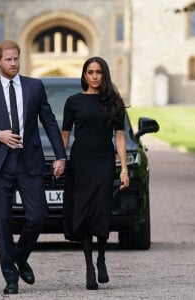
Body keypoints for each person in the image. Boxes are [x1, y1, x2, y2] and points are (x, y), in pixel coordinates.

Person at [0, 40, 66, 295]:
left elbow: (49, 121)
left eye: (16, 59)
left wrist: (60, 155)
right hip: (1, 163)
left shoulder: (34, 86)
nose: (13, 64)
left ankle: (20, 256)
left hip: (29, 161)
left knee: (38, 216)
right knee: (2, 223)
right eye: (8, 60)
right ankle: (10, 278)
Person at [61, 56, 129, 290]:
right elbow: (65, 135)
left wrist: (124, 169)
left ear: (104, 74)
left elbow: (119, 137)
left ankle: (101, 258)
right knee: (85, 211)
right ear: (84, 75)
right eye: (90, 72)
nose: (94, 76)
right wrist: (61, 160)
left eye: (98, 72)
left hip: (104, 162)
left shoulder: (114, 102)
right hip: (81, 162)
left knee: (101, 210)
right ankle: (89, 266)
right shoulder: (73, 102)